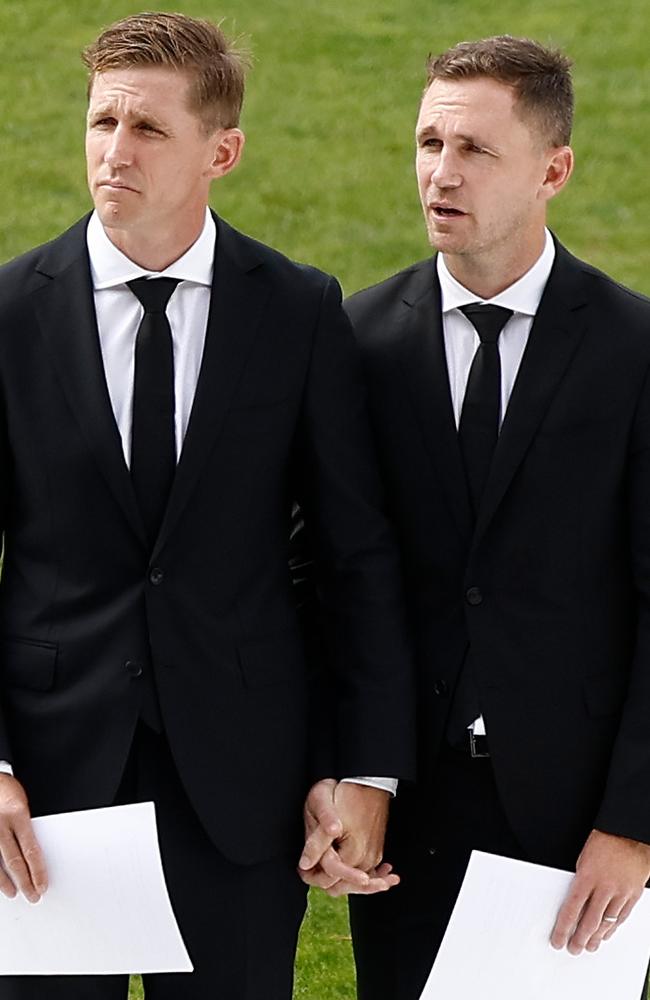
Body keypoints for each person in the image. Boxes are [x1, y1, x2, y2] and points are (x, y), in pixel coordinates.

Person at [0, 12, 414, 1000]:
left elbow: (350, 556)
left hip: (240, 786)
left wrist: (358, 767)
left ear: (220, 150)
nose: (114, 151)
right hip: (48, 795)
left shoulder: (297, 309)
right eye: (103, 121)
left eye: (147, 129)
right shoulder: (10, 313)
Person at [334, 34, 650, 1000]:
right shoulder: (355, 341)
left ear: (553, 170)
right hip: (411, 814)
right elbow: (333, 576)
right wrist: (361, 777)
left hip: (577, 817)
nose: (441, 172)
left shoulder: (636, 351)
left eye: (475, 150)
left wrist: (634, 825)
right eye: (429, 143)